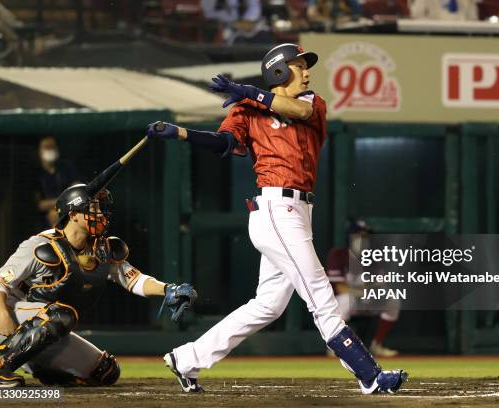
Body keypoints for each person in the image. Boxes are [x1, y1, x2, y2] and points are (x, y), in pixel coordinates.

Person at [146, 43, 408, 395]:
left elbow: (296, 112)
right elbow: (225, 143)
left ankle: (187, 358)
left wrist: (250, 92)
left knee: (267, 306)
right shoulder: (246, 107)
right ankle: (369, 375)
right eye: (298, 66)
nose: (307, 72)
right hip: (275, 209)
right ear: (279, 71)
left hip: (299, 212)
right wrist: (180, 133)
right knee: (319, 294)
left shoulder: (312, 103)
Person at [0, 162, 196, 387]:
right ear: (74, 214)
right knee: (62, 315)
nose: (102, 214)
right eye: (94, 208)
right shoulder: (41, 245)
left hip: (52, 327)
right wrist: (3, 315)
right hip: (12, 317)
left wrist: (167, 289)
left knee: (106, 372)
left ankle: (44, 369)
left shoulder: (102, 248)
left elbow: (133, 279)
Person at [326, 220, 400, 357]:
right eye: (359, 236)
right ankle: (335, 346)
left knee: (392, 301)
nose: (362, 240)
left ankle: (377, 345)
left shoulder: (372, 257)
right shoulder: (338, 254)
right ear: (349, 237)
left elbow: (381, 285)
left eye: (365, 237)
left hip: (365, 300)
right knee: (345, 300)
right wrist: (364, 291)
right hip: (343, 303)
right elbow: (340, 288)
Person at [35, 135, 82, 227]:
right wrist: (62, 202)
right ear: (39, 151)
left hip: (69, 214)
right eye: (47, 147)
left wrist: (59, 208)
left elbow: (77, 192)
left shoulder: (67, 168)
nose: (50, 150)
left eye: (53, 147)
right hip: (43, 222)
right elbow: (39, 205)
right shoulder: (35, 174)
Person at [409, 0, 479, 21]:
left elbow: (473, 20)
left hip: (463, 37)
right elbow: (416, 18)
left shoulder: (468, 2)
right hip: (434, 36)